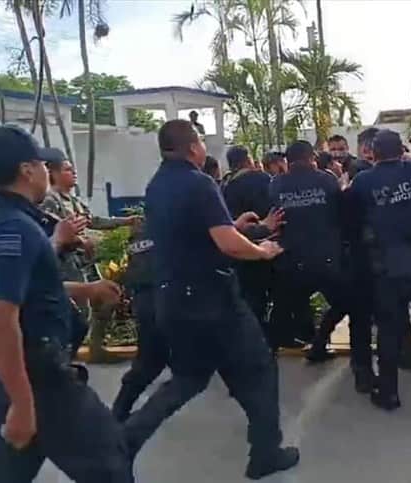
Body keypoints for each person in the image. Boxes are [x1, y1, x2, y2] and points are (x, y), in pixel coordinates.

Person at [123, 120, 299, 480]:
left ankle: (124, 443)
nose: (204, 147)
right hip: (213, 301)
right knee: (260, 369)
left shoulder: (157, 186)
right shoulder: (199, 182)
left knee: (188, 379)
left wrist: (235, 225)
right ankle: (265, 454)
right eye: (201, 141)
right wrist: (263, 251)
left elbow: (195, 234)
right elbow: (226, 244)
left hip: (173, 298)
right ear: (191, 148)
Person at [0, 124, 134, 482]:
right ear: (27, 170)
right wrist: (24, 403)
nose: (48, 171)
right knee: (110, 464)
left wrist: (85, 291)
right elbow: (0, 317)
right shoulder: (13, 228)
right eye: (43, 165)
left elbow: (23, 290)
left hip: (12, 372)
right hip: (39, 377)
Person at [347, 129, 411, 410]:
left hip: (389, 268)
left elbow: (352, 220)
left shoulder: (363, 181)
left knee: (389, 331)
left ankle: (390, 392)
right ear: (402, 149)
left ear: (373, 152)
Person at [40, 148, 138, 360]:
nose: (73, 173)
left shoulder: (73, 201)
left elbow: (95, 220)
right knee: (78, 309)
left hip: (83, 261)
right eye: (67, 169)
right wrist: (78, 241)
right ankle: (64, 354)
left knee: (107, 296)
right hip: (64, 262)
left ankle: (95, 345)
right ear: (53, 173)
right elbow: (51, 232)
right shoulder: (50, 201)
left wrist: (126, 221)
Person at [269, 140, 352, 363]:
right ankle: (318, 344)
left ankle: (268, 351)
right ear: (311, 157)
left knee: (284, 306)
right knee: (344, 302)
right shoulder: (326, 180)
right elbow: (340, 213)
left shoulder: (277, 184)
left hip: (292, 256)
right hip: (325, 256)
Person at [111, 218, 170, 422]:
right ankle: (126, 416)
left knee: (152, 362)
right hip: (160, 299)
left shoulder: (143, 228)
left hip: (149, 299)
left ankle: (122, 412)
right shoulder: (164, 224)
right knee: (152, 362)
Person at [222, 146, 282, 342]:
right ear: (248, 160)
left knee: (251, 299)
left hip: (241, 250)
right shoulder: (263, 180)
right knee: (278, 295)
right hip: (270, 245)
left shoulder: (225, 187)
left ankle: (255, 338)